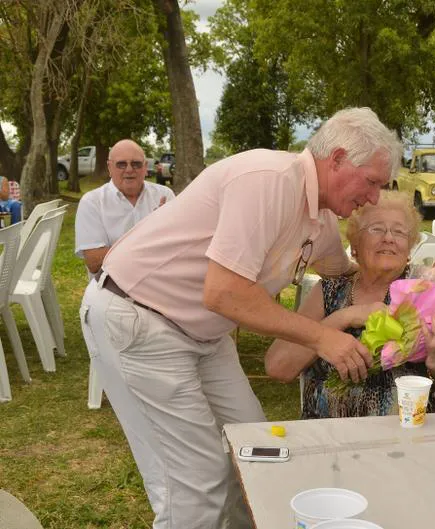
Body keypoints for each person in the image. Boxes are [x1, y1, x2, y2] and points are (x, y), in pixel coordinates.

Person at [79, 107, 403, 529]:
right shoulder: (267, 180)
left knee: (253, 449)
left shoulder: (320, 218)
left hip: (203, 335)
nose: (374, 197)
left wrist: (414, 291)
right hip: (138, 319)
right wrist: (323, 338)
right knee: (195, 480)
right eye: (373, 182)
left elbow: (346, 274)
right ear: (338, 159)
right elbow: (225, 293)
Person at [266, 190, 435, 417]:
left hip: (408, 433)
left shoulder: (425, 293)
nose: (388, 237)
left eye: (399, 232)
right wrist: (343, 317)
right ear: (355, 244)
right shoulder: (329, 292)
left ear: (409, 249)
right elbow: (278, 367)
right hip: (330, 434)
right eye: (376, 228)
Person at [75, 139, 175, 275]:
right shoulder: (92, 202)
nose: (129, 170)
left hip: (158, 283)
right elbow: (94, 262)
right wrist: (150, 234)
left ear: (145, 167)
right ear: (110, 167)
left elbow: (177, 247)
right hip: (113, 290)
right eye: (121, 164)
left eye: (136, 164)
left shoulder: (164, 195)